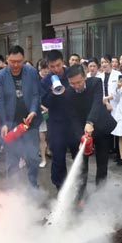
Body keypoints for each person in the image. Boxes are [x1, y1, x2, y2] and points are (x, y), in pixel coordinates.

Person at [65, 64, 117, 201]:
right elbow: (73, 117)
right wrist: (80, 137)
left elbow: (97, 104)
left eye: (79, 82)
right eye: (72, 84)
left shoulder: (96, 83)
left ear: (85, 76)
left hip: (100, 127)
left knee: (102, 163)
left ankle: (101, 194)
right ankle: (80, 197)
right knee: (82, 165)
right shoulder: (68, 93)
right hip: (83, 132)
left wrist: (90, 122)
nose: (76, 86)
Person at [0, 46, 42, 188]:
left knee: (33, 157)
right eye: (12, 61)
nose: (16, 65)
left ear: (23, 60)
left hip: (30, 122)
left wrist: (33, 111)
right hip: (10, 123)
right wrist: (3, 123)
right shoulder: (0, 76)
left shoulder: (32, 72)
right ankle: (13, 189)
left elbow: (35, 94)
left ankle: (33, 185)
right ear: (7, 59)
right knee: (12, 158)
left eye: (19, 61)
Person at [41, 50, 71, 189]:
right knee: (58, 156)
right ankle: (60, 186)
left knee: (79, 155)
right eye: (52, 67)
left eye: (58, 65)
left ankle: (78, 187)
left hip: (73, 121)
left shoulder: (72, 73)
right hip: (56, 123)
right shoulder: (46, 80)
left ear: (63, 62)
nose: (56, 69)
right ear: (48, 66)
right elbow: (45, 102)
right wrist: (53, 92)